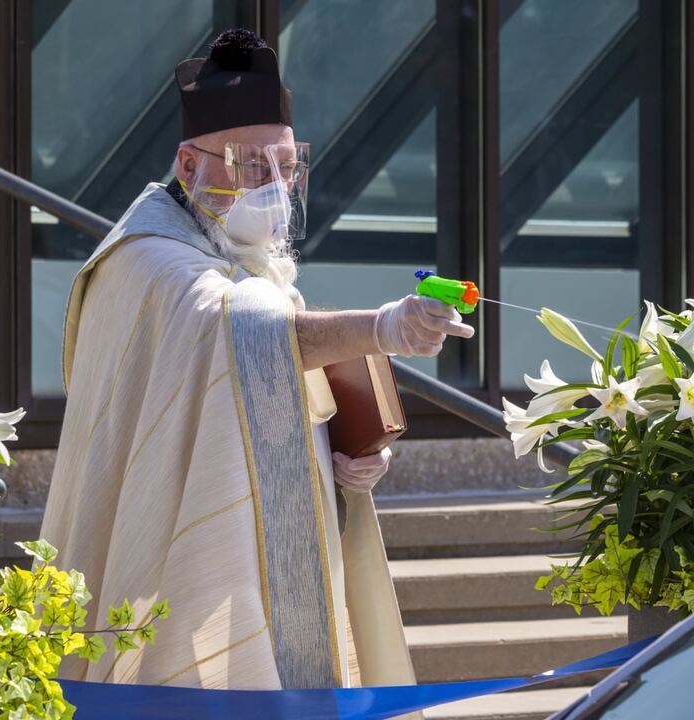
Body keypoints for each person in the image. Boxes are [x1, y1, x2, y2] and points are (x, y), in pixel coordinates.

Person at [38, 28, 472, 698]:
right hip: (168, 541)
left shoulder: (243, 260)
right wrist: (382, 327)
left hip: (258, 561)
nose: (275, 187)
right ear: (188, 165)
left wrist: (340, 462)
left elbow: (269, 387)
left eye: (287, 166)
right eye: (249, 166)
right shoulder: (146, 257)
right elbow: (241, 334)